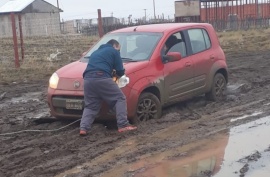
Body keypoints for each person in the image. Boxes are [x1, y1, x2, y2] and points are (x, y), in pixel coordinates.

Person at [79, 39, 137, 136]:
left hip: (88, 80)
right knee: (120, 98)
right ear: (115, 46)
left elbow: (99, 65)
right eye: (119, 49)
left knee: (91, 106)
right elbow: (120, 71)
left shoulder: (95, 52)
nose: (119, 51)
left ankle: (83, 128)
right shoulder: (114, 51)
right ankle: (123, 125)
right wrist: (117, 74)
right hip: (101, 77)